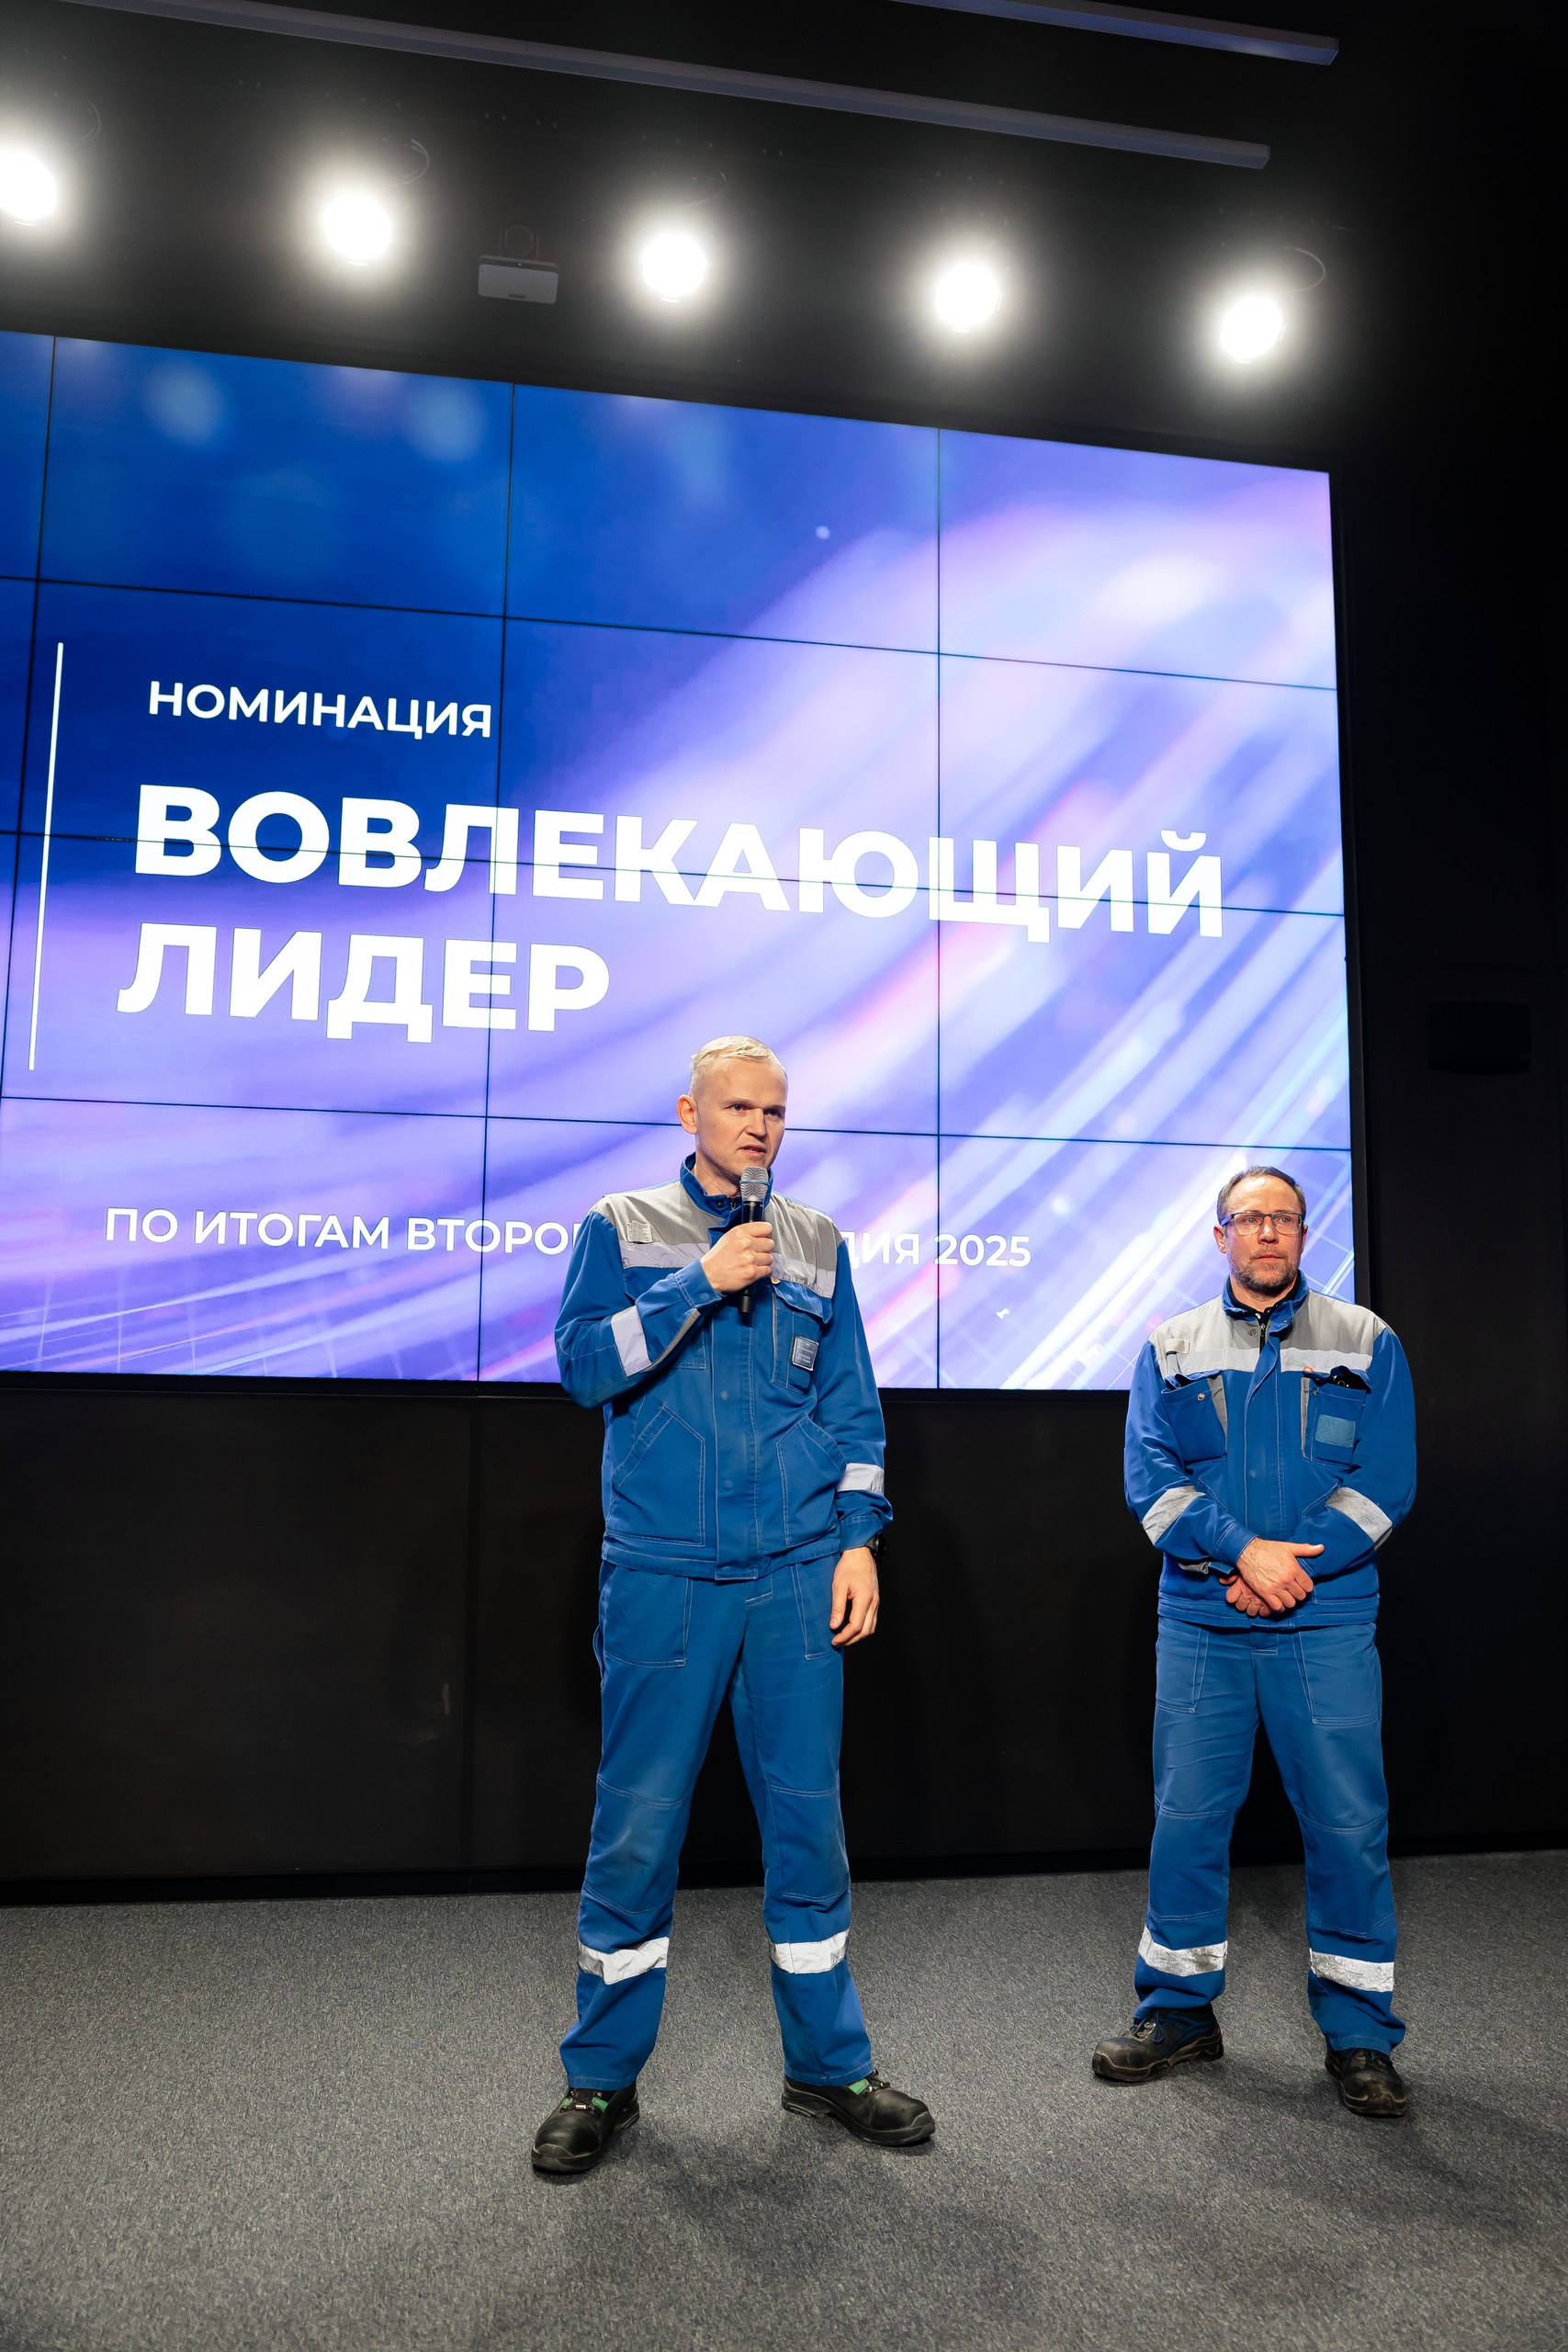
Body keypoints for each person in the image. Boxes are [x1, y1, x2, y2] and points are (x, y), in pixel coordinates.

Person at [531, 1035, 934, 2177]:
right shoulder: (621, 1226)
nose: (759, 1126)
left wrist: (858, 1541)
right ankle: (601, 2083)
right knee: (637, 1830)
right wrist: (697, 1283)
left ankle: (829, 2067)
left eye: (775, 1110)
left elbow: (853, 1411)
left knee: (808, 1828)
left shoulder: (818, 1242)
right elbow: (582, 1367)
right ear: (689, 1112)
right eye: (738, 1107)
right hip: (663, 1575)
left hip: (797, 1574)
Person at [1094, 1166, 1417, 2119]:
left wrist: (1290, 1568)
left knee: (1347, 1824)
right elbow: (1150, 1481)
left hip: (1325, 1617)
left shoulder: (1367, 1340)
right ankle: (1177, 2012)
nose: (1267, 1232)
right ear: (1219, 1234)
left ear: (1304, 1234)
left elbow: (1385, 1483)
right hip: (1204, 1618)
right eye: (1249, 1218)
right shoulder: (1171, 1347)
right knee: (1188, 1818)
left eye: (1284, 1218)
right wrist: (1243, 1553)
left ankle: (1359, 2034)